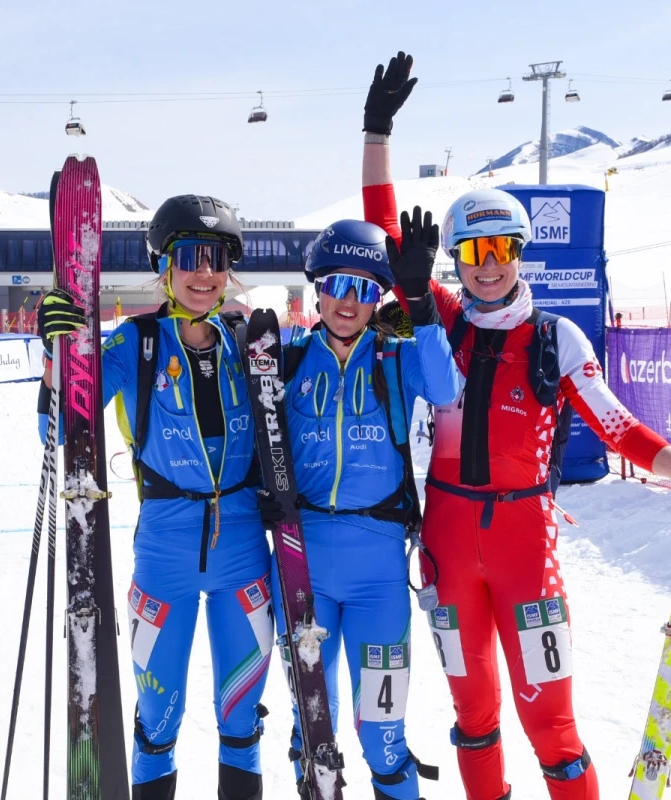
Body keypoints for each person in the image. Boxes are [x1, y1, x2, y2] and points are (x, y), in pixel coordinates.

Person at [358, 53, 671, 800]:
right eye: (472, 252)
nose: (486, 267)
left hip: (527, 546)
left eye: (500, 251)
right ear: (457, 259)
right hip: (448, 545)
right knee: (473, 716)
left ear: (519, 253)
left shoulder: (558, 339)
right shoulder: (438, 317)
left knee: (554, 731)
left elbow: (619, 426)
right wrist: (377, 133)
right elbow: (383, 235)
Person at [38, 195, 271, 800]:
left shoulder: (253, 342)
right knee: (157, 726)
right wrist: (57, 357)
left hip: (245, 549)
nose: (203, 273)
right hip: (164, 552)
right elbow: (61, 432)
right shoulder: (133, 345)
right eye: (189, 257)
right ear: (163, 266)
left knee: (242, 724)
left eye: (216, 258)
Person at [260, 208, 461, 799]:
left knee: (384, 737)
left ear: (379, 297)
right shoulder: (287, 362)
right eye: (336, 286)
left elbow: (447, 389)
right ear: (317, 291)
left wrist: (419, 298)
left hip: (377, 573)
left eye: (364, 289)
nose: (348, 302)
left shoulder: (396, 358)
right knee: (311, 728)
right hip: (303, 566)